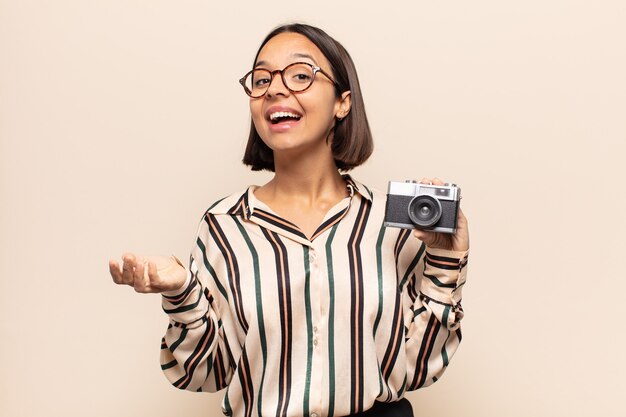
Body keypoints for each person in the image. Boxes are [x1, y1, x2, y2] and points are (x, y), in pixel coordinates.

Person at [109, 23, 469, 417]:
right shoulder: (224, 225)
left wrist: (446, 262)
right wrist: (181, 291)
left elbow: (417, 365)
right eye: (261, 79)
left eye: (301, 75)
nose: (275, 90)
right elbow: (205, 372)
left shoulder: (394, 223)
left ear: (342, 103)